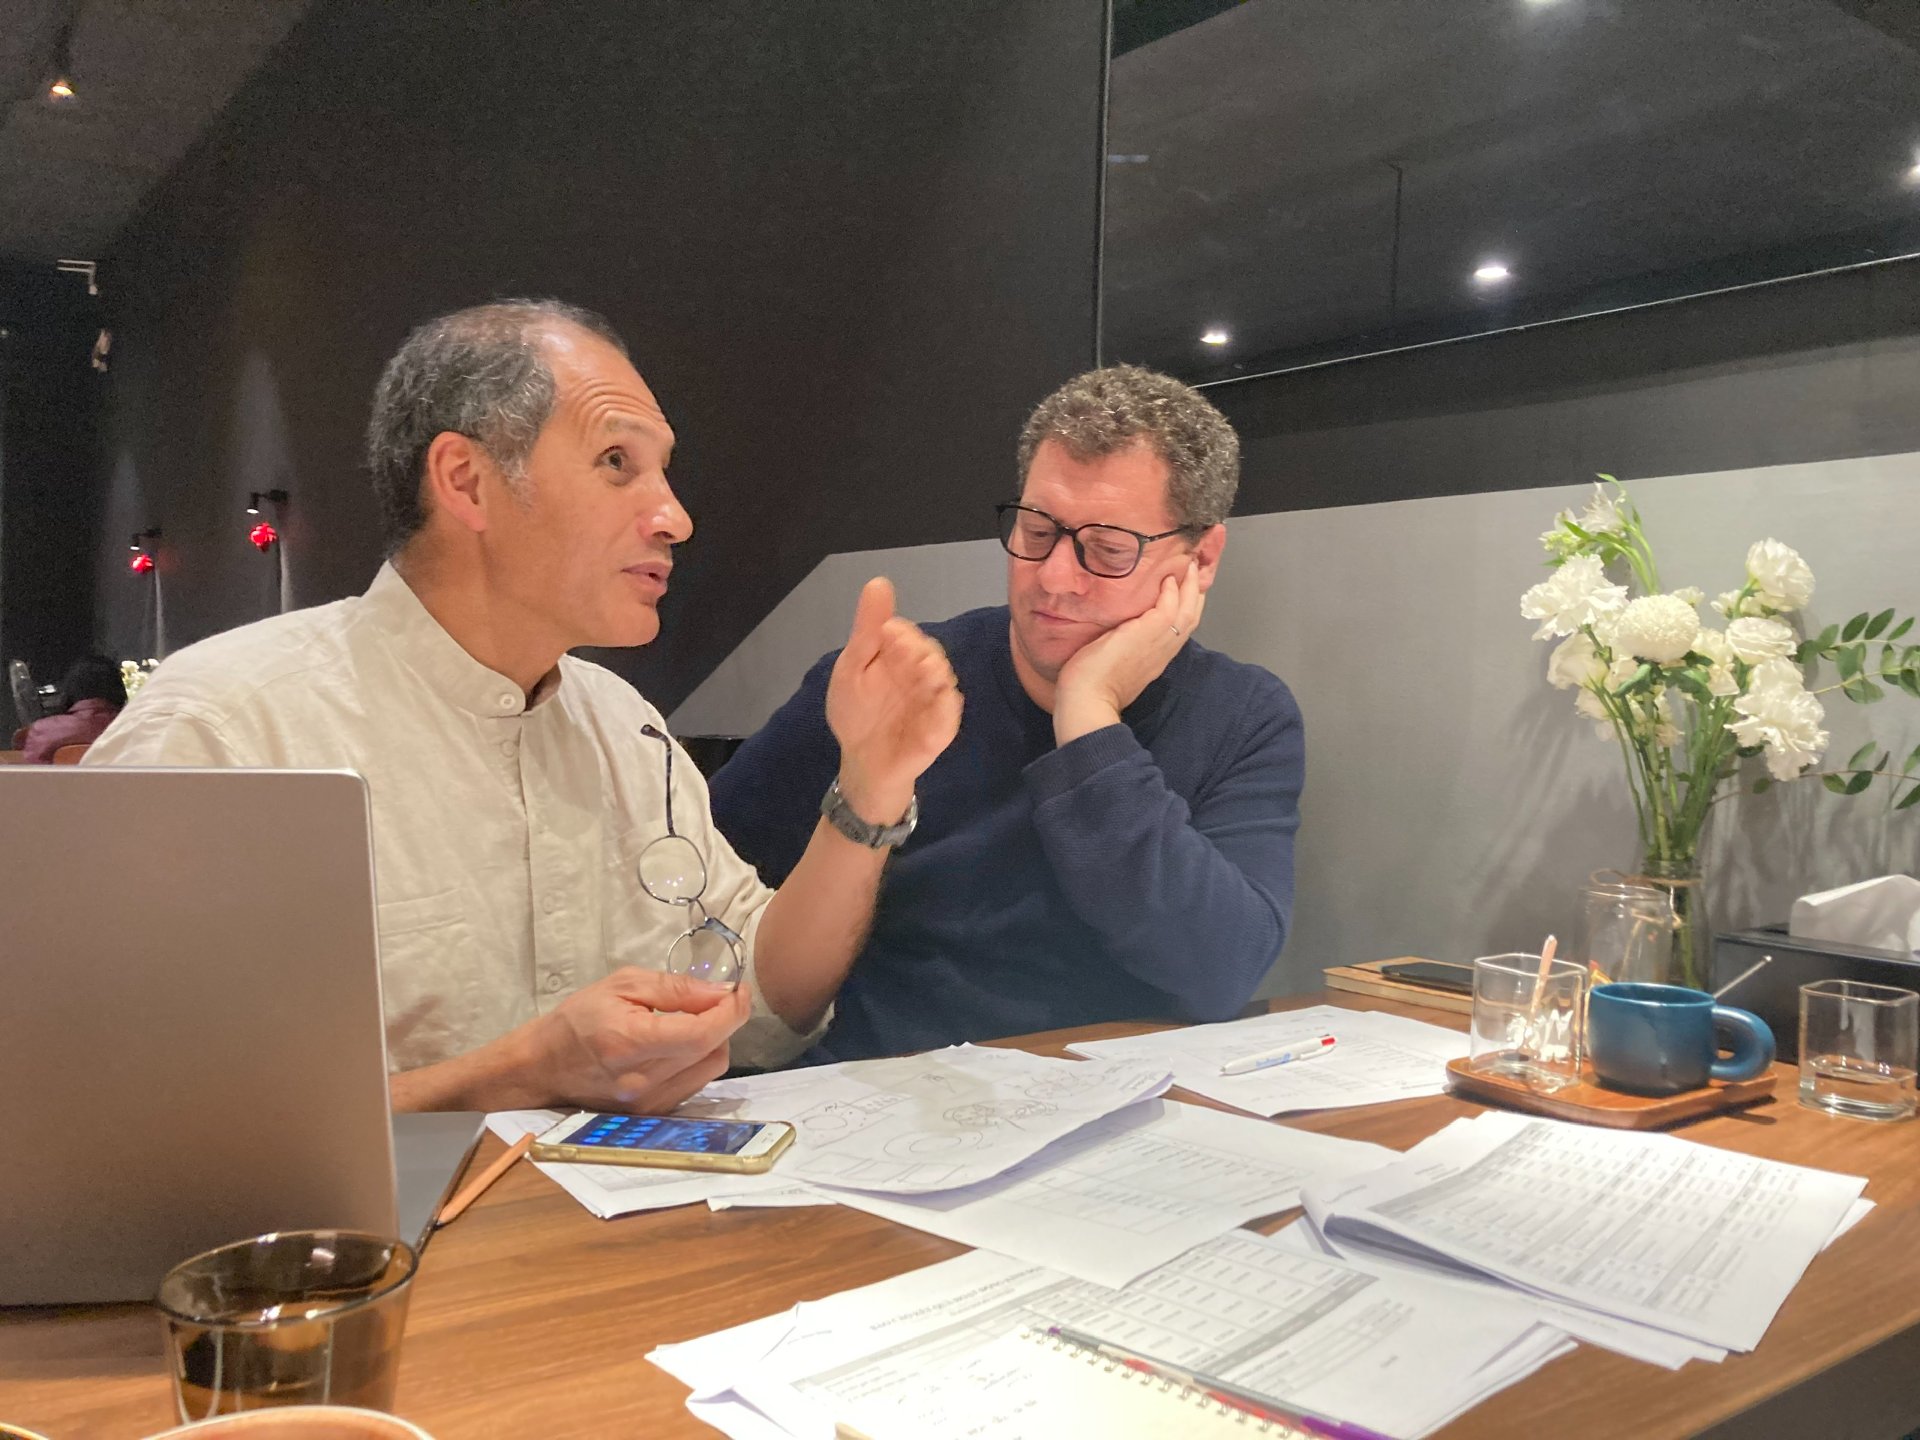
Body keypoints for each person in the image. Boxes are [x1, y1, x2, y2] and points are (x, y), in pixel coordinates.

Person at [88, 299, 961, 1111]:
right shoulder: (225, 730)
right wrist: (518, 1074)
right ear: (466, 481)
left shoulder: (626, 728)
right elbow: (115, 1113)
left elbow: (764, 1001)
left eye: (664, 472)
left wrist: (873, 784)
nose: (676, 517)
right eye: (617, 463)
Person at [711, 365, 1304, 1062]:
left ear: (1200, 559)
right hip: (884, 1091)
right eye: (1036, 531)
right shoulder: (899, 686)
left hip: (1126, 1105)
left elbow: (1220, 970)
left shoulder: (1244, 714)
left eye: (1108, 550)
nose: (1053, 577)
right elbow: (693, 882)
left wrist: (1089, 719)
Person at [21, 655, 125, 763]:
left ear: (70, 689)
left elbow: (33, 770)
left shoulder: (42, 730)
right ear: (118, 689)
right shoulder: (130, 728)